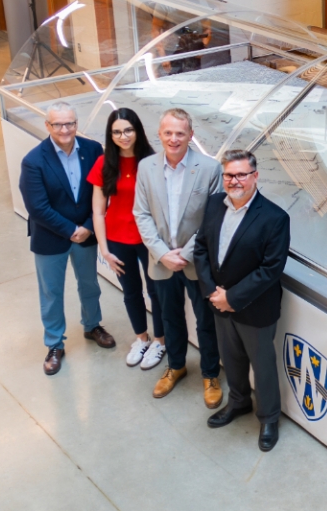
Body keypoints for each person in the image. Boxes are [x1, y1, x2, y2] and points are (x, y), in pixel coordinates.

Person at [194, 149, 290, 452]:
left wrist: (232, 298)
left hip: (255, 308)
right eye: (229, 175)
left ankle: (269, 418)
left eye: (241, 175)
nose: (234, 181)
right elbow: (200, 248)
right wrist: (213, 293)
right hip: (219, 303)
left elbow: (271, 269)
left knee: (262, 366)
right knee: (231, 359)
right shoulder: (213, 205)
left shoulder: (275, 218)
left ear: (255, 177)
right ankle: (238, 403)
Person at [133, 108, 224, 408]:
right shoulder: (146, 167)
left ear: (191, 135)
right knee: (169, 318)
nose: (174, 139)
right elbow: (141, 214)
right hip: (161, 261)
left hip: (196, 262)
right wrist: (161, 254)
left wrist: (183, 255)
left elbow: (212, 220)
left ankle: (210, 374)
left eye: (180, 133)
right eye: (168, 133)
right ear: (159, 134)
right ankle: (176, 366)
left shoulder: (210, 169)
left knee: (205, 321)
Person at [19, 102, 115, 375]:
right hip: (51, 238)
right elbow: (37, 207)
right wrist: (71, 229)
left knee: (89, 284)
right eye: (58, 124)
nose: (65, 129)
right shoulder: (34, 160)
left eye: (70, 123)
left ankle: (92, 325)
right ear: (47, 126)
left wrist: (87, 226)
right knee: (51, 292)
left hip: (85, 233)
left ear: (76, 124)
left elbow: (101, 192)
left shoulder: (93, 150)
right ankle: (54, 344)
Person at [88, 109, 167, 370]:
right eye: (117, 132)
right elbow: (98, 210)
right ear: (110, 135)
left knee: (156, 291)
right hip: (117, 239)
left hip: (148, 239)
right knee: (131, 292)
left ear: (138, 131)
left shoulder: (153, 161)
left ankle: (159, 341)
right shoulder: (104, 164)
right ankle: (141, 338)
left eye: (128, 130)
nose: (124, 136)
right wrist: (104, 249)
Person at [150, 0, 211, 75]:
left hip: (192, 43)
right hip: (171, 45)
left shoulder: (201, 3)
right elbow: (156, 30)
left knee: (194, 76)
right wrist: (163, 56)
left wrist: (203, 48)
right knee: (172, 78)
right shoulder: (165, 3)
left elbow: (207, 29)